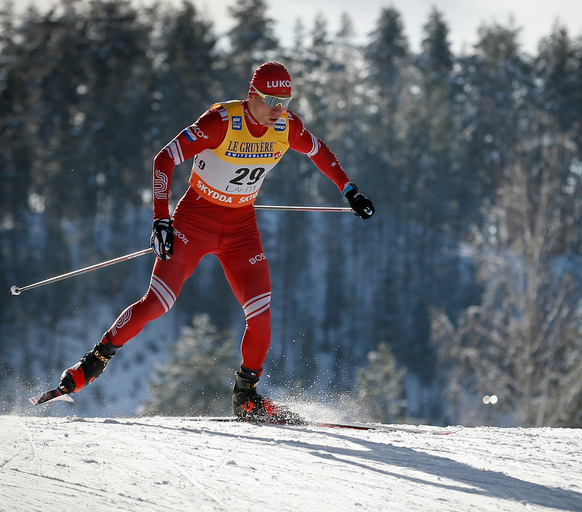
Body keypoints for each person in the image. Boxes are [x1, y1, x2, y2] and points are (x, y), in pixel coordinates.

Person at [56, 61, 375, 422]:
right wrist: (161, 217)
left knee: (261, 315)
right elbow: (164, 159)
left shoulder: (287, 126)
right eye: (270, 99)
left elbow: (321, 152)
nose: (277, 109)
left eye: (284, 100)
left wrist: (350, 190)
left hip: (241, 229)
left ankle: (246, 396)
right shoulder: (221, 122)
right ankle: (93, 361)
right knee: (158, 303)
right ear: (251, 95)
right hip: (194, 220)